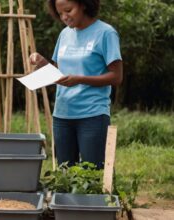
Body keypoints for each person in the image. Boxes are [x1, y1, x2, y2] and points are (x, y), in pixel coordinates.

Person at [30, 0, 123, 169]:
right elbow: (59, 70)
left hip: (92, 114)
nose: (64, 17)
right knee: (65, 173)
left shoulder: (106, 33)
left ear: (84, 5)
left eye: (68, 10)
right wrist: (42, 62)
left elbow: (116, 77)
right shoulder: (65, 34)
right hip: (62, 115)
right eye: (60, 14)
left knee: (92, 173)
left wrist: (80, 79)